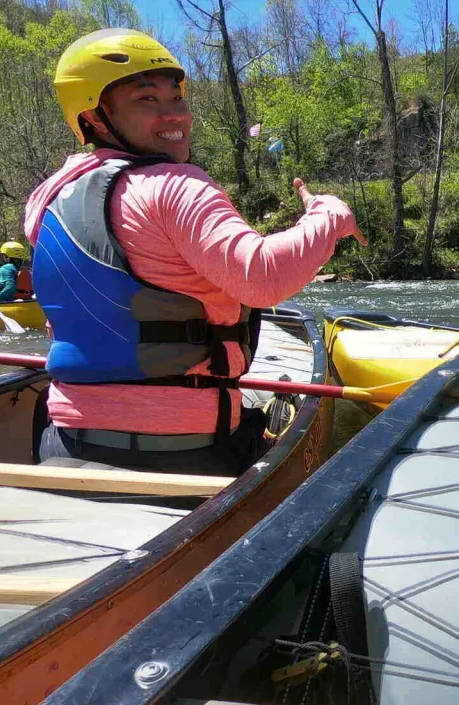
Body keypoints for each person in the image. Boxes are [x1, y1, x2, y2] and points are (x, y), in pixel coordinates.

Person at [25, 29, 365, 474]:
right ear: (95, 116)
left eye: (177, 99)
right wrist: (328, 216)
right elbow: (262, 277)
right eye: (147, 100)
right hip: (188, 451)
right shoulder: (176, 186)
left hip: (65, 442)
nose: (174, 115)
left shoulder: (47, 198)